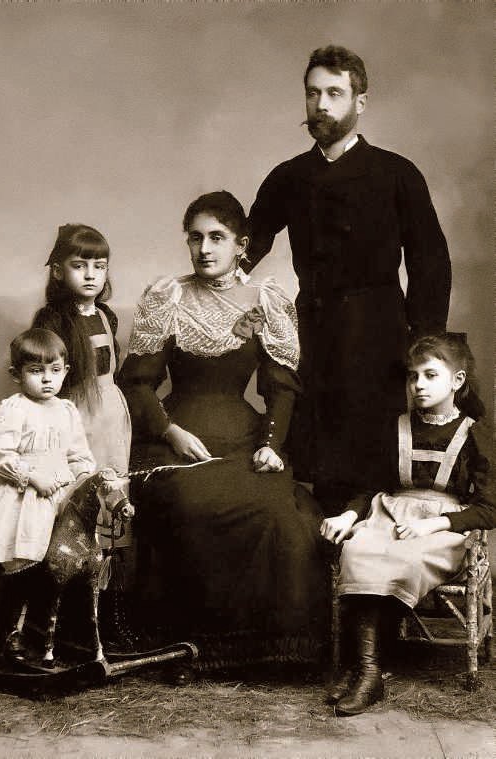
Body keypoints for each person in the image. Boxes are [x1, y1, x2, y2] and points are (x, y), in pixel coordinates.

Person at [119, 191, 329, 670]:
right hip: (174, 442)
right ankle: (187, 643)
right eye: (195, 238)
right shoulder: (167, 297)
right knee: (191, 503)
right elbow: (137, 383)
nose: (204, 249)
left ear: (242, 245)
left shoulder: (266, 299)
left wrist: (272, 446)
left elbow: (281, 389)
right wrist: (169, 431)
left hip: (243, 439)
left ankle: (262, 648)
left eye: (217, 237)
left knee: (281, 513)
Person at [245, 44, 452, 510]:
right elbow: (249, 245)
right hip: (311, 334)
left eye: (334, 93)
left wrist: (424, 344)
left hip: (377, 336)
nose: (321, 105)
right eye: (313, 93)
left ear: (361, 102)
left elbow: (430, 263)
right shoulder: (289, 177)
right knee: (313, 460)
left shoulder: (397, 174)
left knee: (373, 459)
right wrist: (215, 300)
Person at [320, 333, 495, 716]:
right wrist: (349, 515)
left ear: (457, 380)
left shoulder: (475, 433)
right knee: (358, 548)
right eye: (413, 376)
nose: (419, 385)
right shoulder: (396, 426)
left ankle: (368, 670)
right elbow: (370, 486)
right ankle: (368, 670)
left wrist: (437, 525)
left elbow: (489, 509)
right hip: (390, 513)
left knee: (404, 559)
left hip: (444, 527)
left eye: (430, 375)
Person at [31, 223, 134, 650]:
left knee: (112, 512)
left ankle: (107, 619)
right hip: (74, 419)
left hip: (111, 419)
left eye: (99, 265)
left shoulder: (106, 315)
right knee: (73, 511)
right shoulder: (53, 321)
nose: (91, 274)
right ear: (58, 271)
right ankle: (64, 623)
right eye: (79, 265)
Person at [0, 328, 96, 657]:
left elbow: (80, 456)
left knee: (51, 567)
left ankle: (41, 632)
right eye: (36, 371)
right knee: (19, 565)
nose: (47, 379)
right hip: (21, 499)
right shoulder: (12, 409)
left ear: (65, 371)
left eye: (55, 370)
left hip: (57, 500)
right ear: (16, 374)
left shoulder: (66, 411)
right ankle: (5, 633)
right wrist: (32, 476)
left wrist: (84, 478)